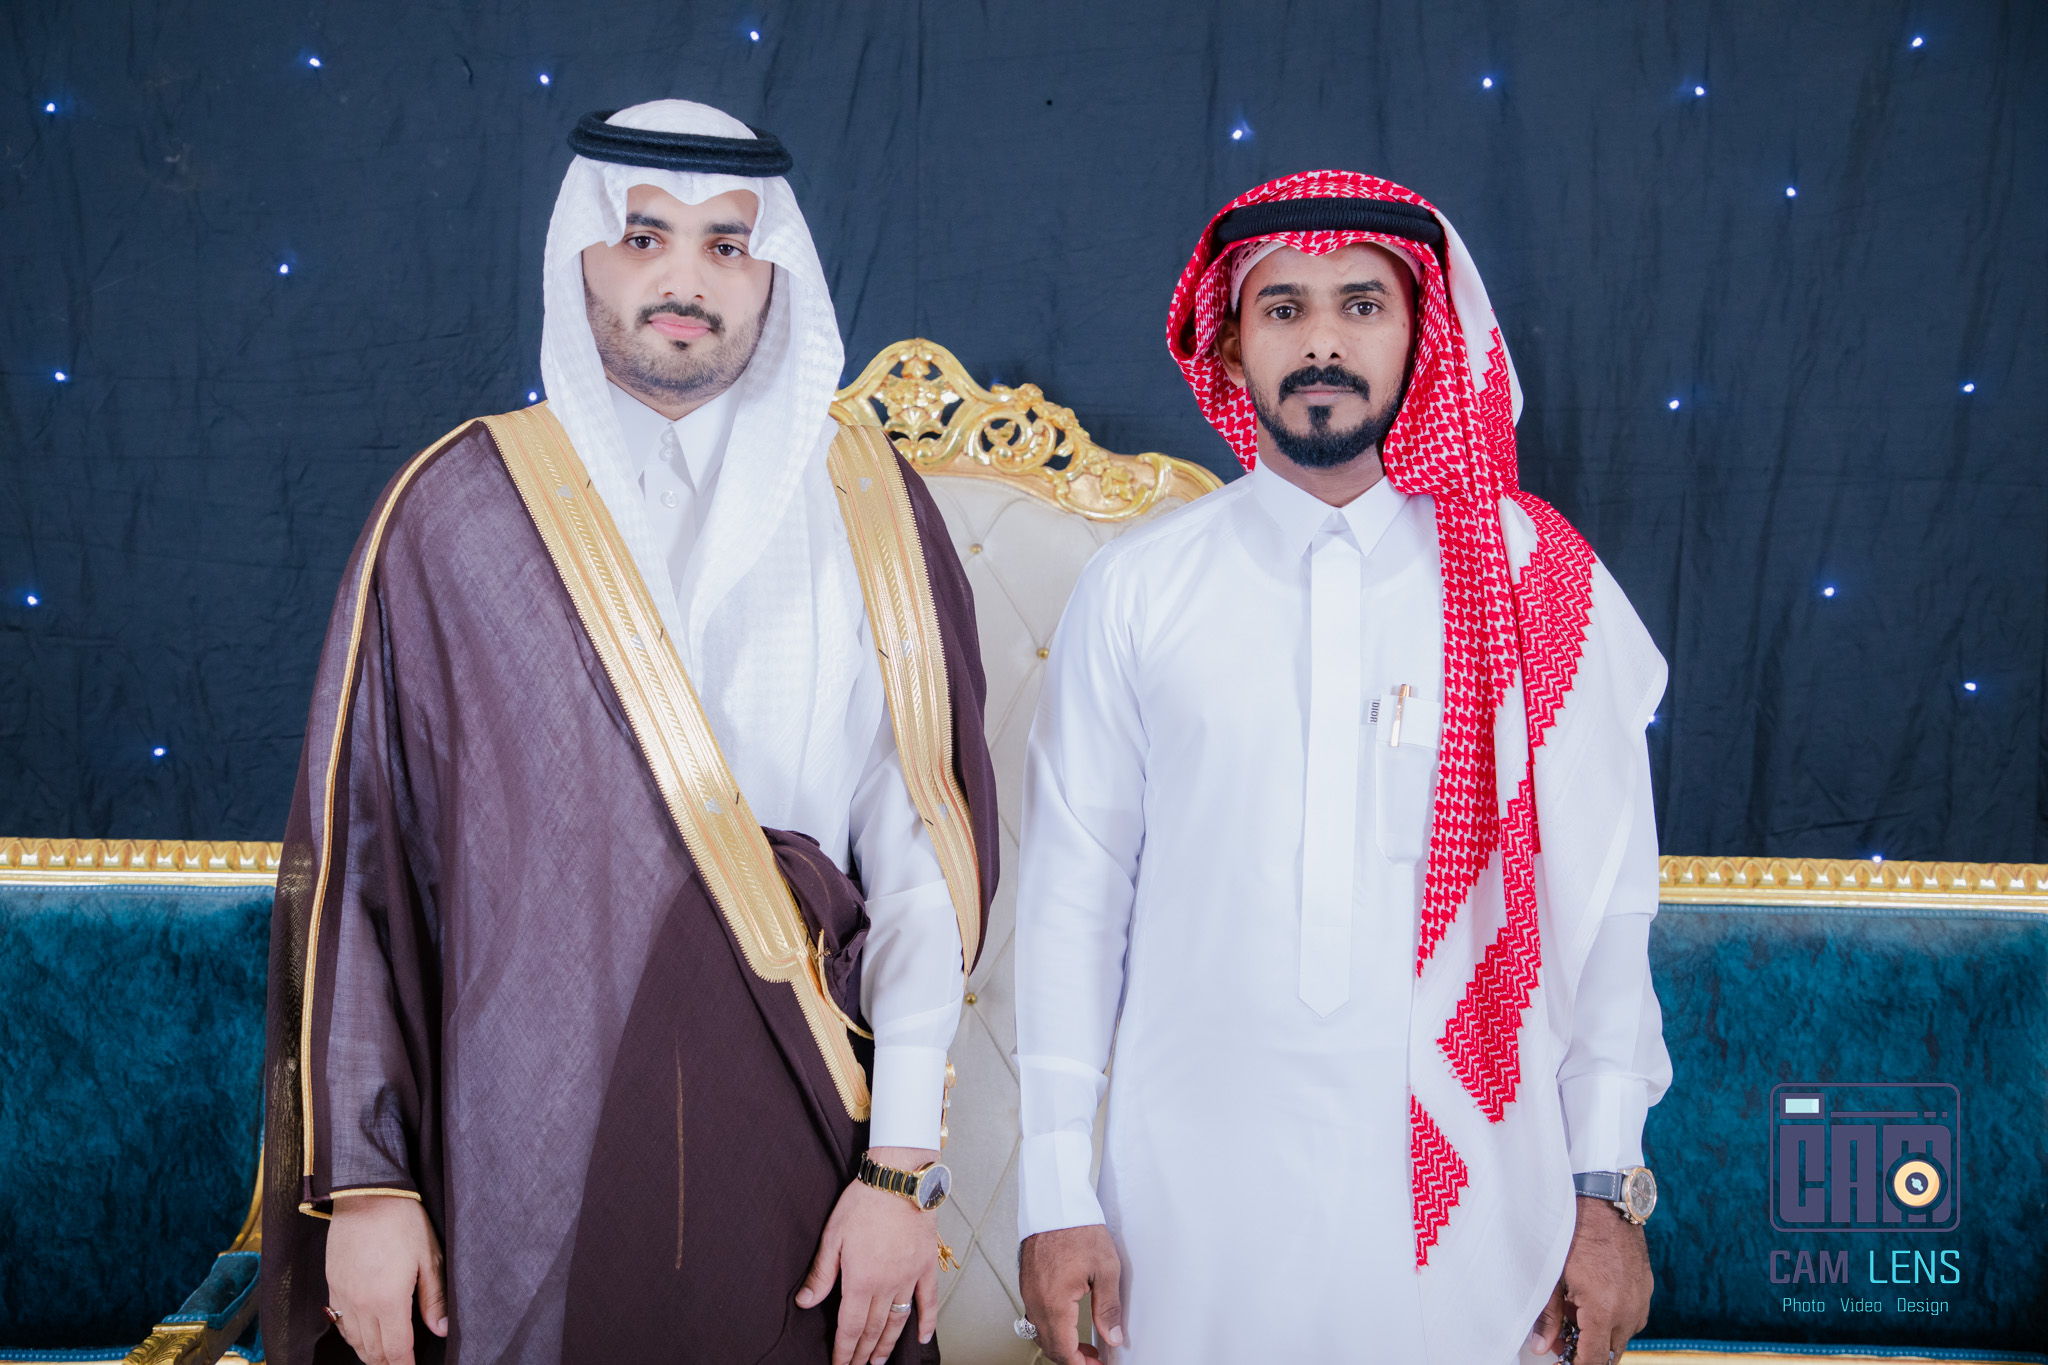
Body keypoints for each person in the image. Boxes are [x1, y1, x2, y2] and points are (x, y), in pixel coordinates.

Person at [259, 100, 998, 1365]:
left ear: (774, 271)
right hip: (517, 1134)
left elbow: (921, 858)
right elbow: (364, 867)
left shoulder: (868, 506)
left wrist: (898, 1174)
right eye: (644, 236)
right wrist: (372, 1190)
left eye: (726, 245)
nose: (683, 280)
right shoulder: (457, 512)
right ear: (581, 258)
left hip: (801, 1125)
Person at [1012, 172, 1672, 1364]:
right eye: (1283, 309)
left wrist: (1604, 1190)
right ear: (1228, 344)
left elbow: (1607, 908)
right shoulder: (1139, 587)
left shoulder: (1533, 582)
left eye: (1361, 305)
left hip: (1485, 1202)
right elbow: (1072, 897)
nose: (1321, 341)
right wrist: (1054, 1190)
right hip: (1186, 1208)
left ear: (1422, 335)